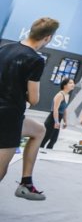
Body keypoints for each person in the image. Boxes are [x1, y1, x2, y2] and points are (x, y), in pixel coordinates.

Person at [0, 16, 60, 201]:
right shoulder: (35, 60)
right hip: (9, 117)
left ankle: (26, 183)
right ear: (48, 38)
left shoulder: (5, 48)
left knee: (39, 130)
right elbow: (34, 98)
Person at [41, 77, 75, 151]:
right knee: (45, 139)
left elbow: (65, 109)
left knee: (53, 140)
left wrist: (65, 121)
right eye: (70, 83)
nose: (73, 84)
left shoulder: (67, 95)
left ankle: (46, 155)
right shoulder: (60, 95)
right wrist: (56, 121)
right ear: (65, 85)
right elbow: (55, 109)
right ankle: (37, 153)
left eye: (73, 83)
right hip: (52, 120)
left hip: (58, 119)